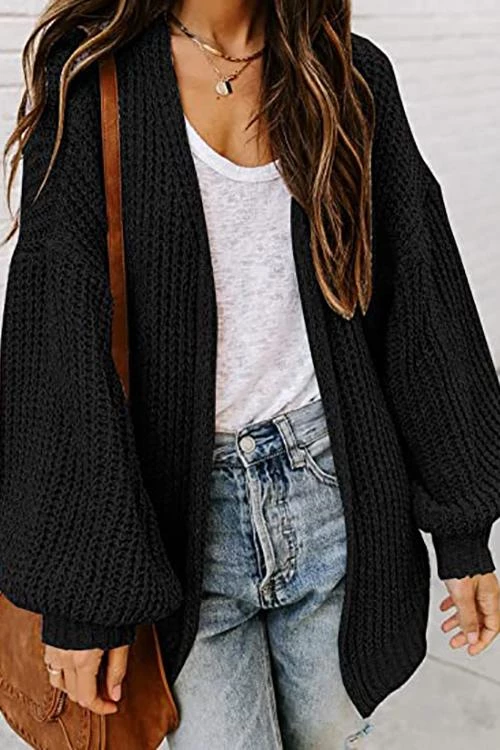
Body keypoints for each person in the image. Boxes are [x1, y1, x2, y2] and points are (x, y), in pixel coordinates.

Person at [1, 1, 499, 748]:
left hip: (337, 498)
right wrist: (82, 592)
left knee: (331, 736)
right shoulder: (93, 73)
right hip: (177, 522)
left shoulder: (350, 76)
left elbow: (420, 300)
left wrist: (463, 531)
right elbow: (55, 335)